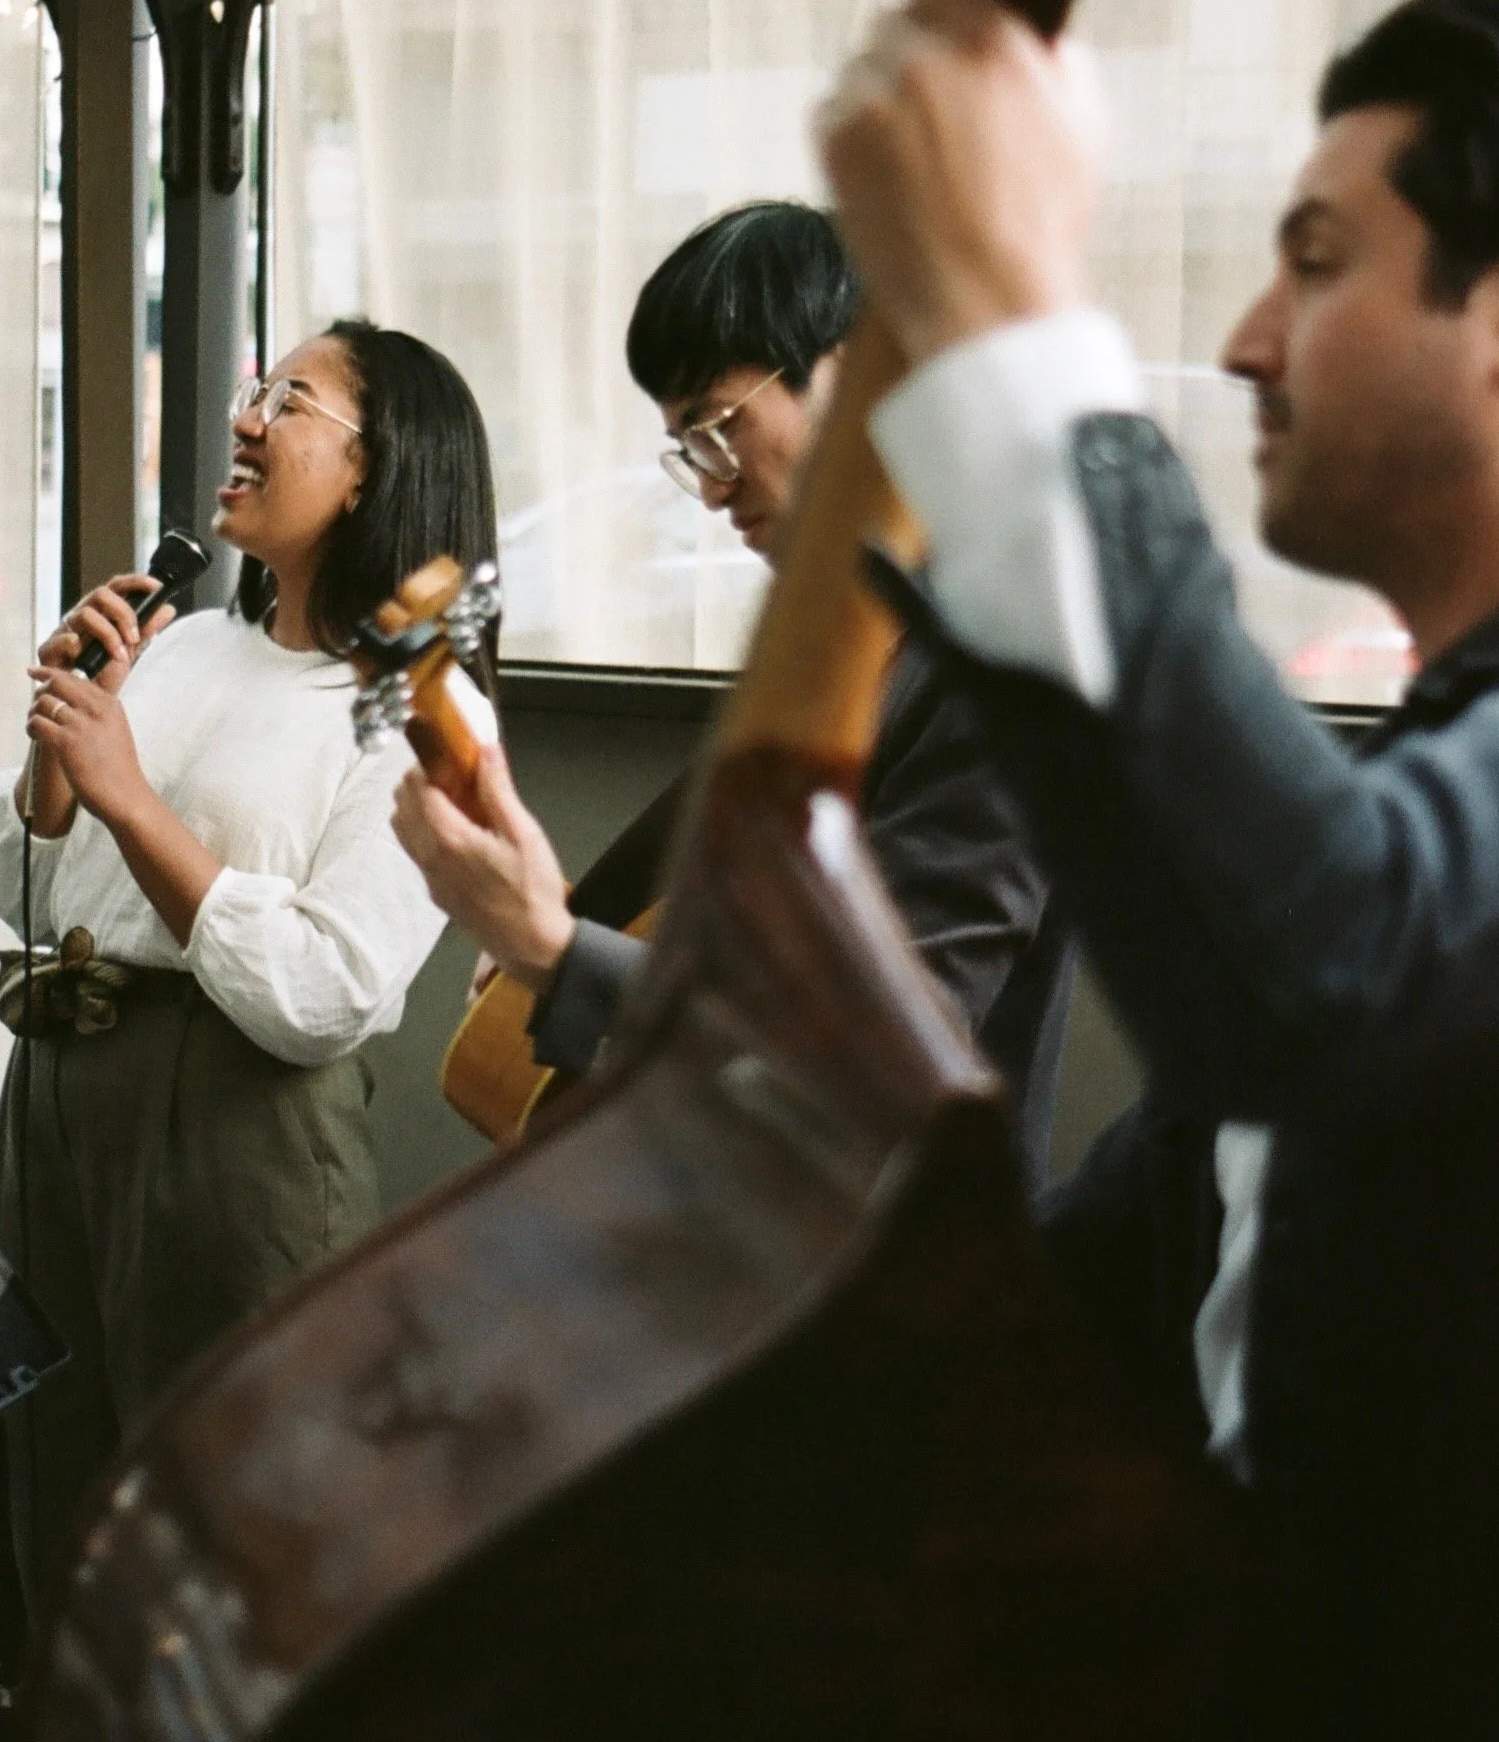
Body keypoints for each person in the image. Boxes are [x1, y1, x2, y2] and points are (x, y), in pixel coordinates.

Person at [819, 0, 1499, 1742]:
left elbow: (1324, 969)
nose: (1241, 339)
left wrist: (1011, 322)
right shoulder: (1444, 777)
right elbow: (1093, 1292)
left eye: (1315, 260)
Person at [0, 320, 497, 1595]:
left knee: (233, 1533)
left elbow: (328, 992)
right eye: (253, 391)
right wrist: (56, 750)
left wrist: (132, 800)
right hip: (56, 1099)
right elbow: (12, 873)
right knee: (59, 1497)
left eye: (290, 401)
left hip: (235, 1132)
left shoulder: (422, 706)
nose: (246, 420)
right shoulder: (189, 645)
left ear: (375, 470)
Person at [392, 199, 1075, 1175]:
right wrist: (567, 926)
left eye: (716, 427)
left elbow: (900, 1048)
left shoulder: (1001, 658)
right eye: (685, 453)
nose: (709, 487)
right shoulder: (841, 638)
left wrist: (557, 948)